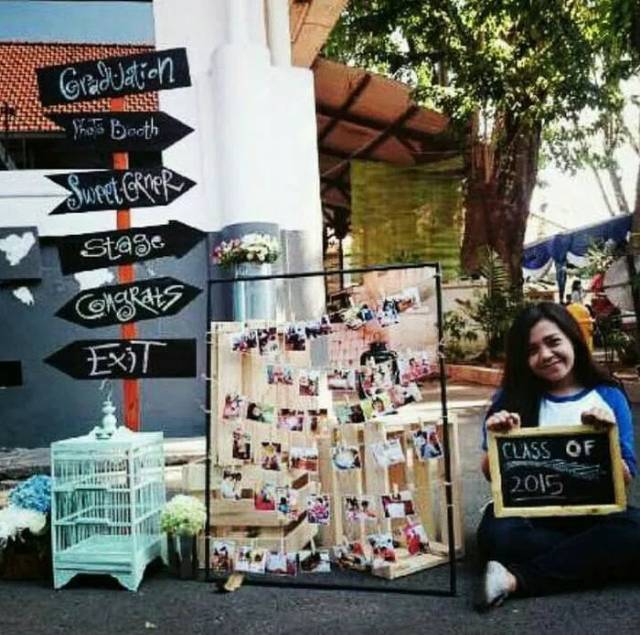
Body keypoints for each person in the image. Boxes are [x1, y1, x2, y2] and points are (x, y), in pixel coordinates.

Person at [476, 302, 640, 610]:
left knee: (634, 528)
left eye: (553, 342)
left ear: (572, 338)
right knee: (498, 534)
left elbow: (625, 477)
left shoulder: (609, 395)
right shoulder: (511, 398)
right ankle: (597, 559)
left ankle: (515, 579)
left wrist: (604, 440)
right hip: (528, 518)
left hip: (592, 517)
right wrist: (499, 438)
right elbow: (491, 475)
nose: (546, 355)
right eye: (532, 350)